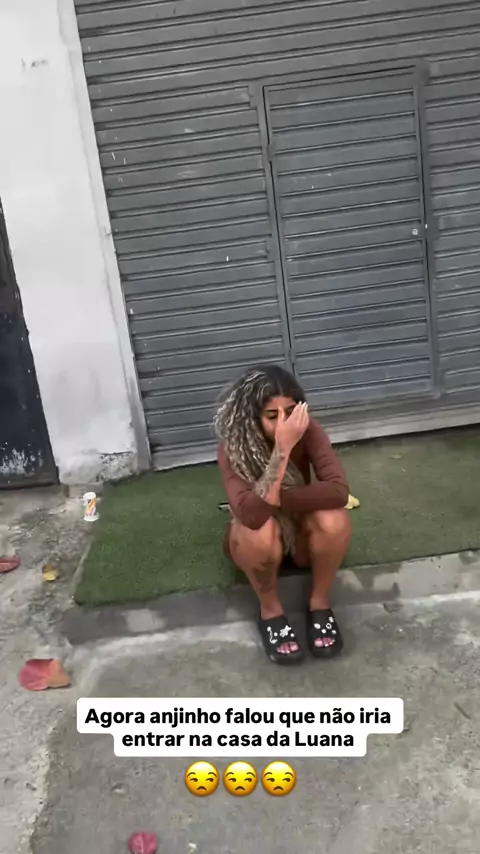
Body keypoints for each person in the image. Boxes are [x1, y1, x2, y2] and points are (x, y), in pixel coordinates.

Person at [214, 364, 352, 665]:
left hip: (300, 535)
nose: (284, 425)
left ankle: (319, 604)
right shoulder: (232, 448)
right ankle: (271, 612)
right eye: (272, 416)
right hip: (257, 543)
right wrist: (282, 450)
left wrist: (273, 499)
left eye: (290, 413)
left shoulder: (309, 430)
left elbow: (338, 491)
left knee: (333, 518)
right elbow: (251, 516)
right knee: (257, 528)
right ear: (253, 418)